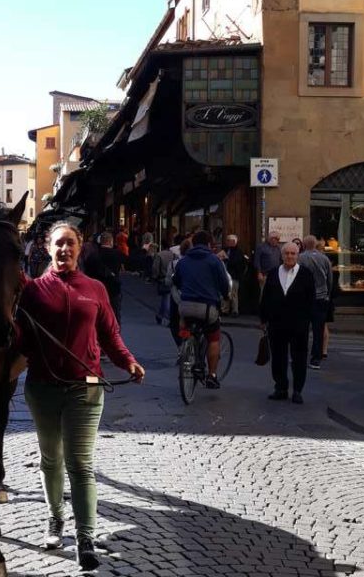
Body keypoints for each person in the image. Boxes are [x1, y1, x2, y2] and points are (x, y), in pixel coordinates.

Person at [18, 221, 145, 571]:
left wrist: (128, 362)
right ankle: (55, 517)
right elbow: (19, 339)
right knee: (50, 459)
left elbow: (110, 335)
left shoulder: (95, 289)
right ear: (47, 247)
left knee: (81, 464)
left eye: (70, 244)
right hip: (43, 388)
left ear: (79, 248)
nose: (64, 250)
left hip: (85, 389)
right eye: (58, 244)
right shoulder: (32, 291)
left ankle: (85, 538)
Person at [171, 231, 231, 388]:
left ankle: (185, 346)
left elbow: (176, 281)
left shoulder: (183, 261)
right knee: (213, 338)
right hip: (207, 306)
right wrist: (225, 296)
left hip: (186, 306)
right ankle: (211, 374)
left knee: (185, 325)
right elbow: (224, 283)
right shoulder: (214, 260)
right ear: (209, 244)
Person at [260, 242, 316, 403]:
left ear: (298, 255)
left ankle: (298, 390)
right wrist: (263, 318)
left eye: (293, 253)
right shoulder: (273, 273)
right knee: (278, 357)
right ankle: (281, 387)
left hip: (299, 324)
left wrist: (309, 320)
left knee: (299, 357)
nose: (290, 256)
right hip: (277, 323)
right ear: (282, 255)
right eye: (287, 253)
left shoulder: (305, 274)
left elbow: (311, 298)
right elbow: (266, 297)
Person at [298, 235, 333, 370]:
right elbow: (330, 279)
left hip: (304, 298)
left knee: (302, 328)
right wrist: (327, 294)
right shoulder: (324, 258)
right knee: (318, 330)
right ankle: (316, 358)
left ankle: (300, 355)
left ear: (304, 245)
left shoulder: (300, 258)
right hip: (321, 297)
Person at [220, 234, 247, 317]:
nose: (228, 242)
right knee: (225, 292)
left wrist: (227, 258)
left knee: (234, 293)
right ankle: (225, 309)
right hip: (225, 274)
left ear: (234, 242)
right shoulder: (224, 250)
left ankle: (235, 310)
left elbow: (238, 263)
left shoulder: (238, 252)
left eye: (229, 241)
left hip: (234, 275)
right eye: (227, 240)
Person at [152, 240, 175, 324]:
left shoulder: (159, 255)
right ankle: (160, 315)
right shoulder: (174, 255)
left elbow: (155, 268)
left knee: (166, 297)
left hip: (163, 278)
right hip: (173, 277)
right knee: (167, 297)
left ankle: (168, 317)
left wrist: (154, 277)